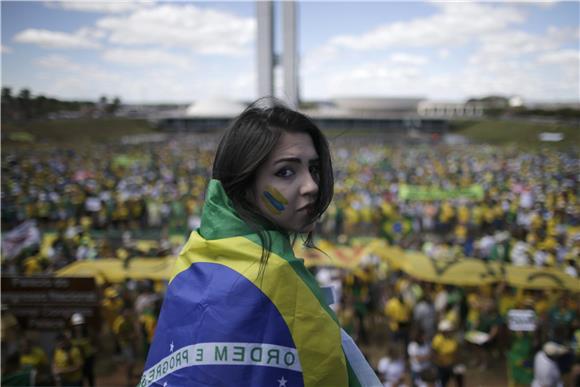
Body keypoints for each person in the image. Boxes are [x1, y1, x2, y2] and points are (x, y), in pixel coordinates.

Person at [140, 99, 380, 386]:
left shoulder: (194, 255)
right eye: (286, 172)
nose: (312, 186)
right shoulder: (274, 276)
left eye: (313, 169)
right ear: (244, 185)